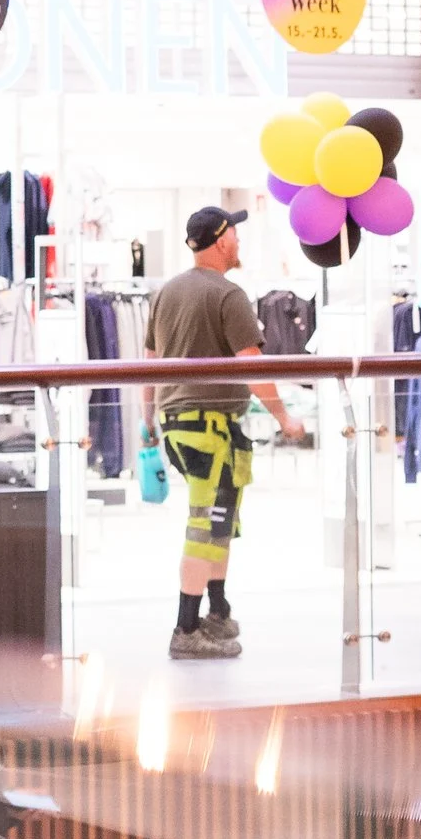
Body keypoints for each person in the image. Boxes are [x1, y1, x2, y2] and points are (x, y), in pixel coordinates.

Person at [146, 206, 308, 661]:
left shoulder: (165, 293)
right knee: (203, 527)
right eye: (234, 234)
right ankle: (185, 628)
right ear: (221, 241)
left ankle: (217, 612)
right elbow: (252, 366)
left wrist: (146, 422)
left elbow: (148, 366)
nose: (238, 242)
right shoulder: (228, 295)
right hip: (209, 430)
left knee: (218, 523)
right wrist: (284, 418)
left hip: (181, 426)